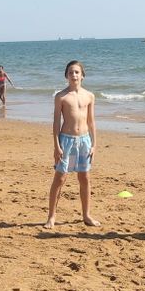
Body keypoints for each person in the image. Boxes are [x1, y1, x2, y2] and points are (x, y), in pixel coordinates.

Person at [45, 60, 99, 229]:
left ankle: (86, 215)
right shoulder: (61, 96)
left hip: (84, 140)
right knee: (60, 178)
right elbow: (56, 123)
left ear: (82, 76)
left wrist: (94, 144)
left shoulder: (89, 96)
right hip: (66, 140)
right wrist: (56, 145)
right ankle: (51, 216)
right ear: (66, 76)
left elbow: (91, 121)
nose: (73, 75)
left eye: (76, 72)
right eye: (70, 72)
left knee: (84, 178)